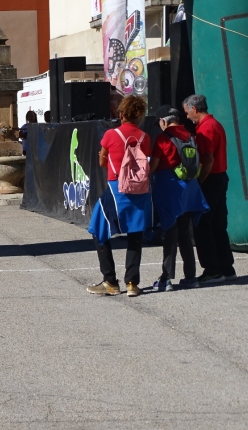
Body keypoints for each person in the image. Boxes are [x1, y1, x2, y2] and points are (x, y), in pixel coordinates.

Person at [87, 95, 152, 297]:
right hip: (141, 191)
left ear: (121, 113)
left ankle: (110, 280)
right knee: (135, 234)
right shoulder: (144, 137)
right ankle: (132, 283)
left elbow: (102, 162)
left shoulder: (111, 135)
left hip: (117, 189)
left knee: (98, 231)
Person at [149, 106, 209, 291]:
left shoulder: (162, 138)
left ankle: (166, 278)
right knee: (184, 233)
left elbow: (153, 167)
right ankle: (190, 276)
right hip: (189, 190)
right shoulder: (191, 135)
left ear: (164, 121)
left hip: (169, 189)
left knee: (170, 234)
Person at [183, 94, 236, 284]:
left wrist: (200, 181)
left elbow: (208, 159)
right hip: (220, 178)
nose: (187, 116)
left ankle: (212, 269)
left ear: (194, 109)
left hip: (211, 179)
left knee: (202, 224)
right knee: (218, 224)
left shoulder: (206, 128)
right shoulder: (216, 124)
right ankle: (226, 267)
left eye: (187, 112)